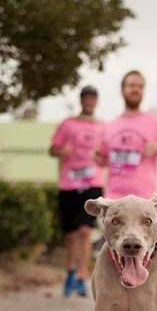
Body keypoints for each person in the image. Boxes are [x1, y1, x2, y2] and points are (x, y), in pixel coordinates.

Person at [49, 85, 108, 298]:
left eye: (93, 98)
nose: (90, 102)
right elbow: (52, 149)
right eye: (86, 98)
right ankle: (71, 273)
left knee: (85, 231)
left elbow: (106, 157)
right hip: (69, 184)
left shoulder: (103, 127)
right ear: (81, 100)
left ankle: (83, 277)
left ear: (96, 101)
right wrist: (61, 150)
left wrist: (101, 159)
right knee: (71, 235)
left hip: (93, 183)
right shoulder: (68, 124)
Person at [98, 70, 157, 200]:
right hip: (114, 200)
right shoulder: (110, 126)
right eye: (131, 85)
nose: (136, 89)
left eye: (140, 86)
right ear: (122, 90)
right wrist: (95, 156)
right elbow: (102, 161)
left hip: (144, 201)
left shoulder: (155, 122)